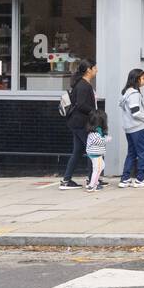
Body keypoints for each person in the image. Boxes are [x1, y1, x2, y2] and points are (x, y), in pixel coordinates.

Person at [117, 69, 144, 188]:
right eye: (143, 78)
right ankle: (141, 179)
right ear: (136, 79)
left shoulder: (126, 93)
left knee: (131, 153)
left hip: (129, 128)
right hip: (137, 128)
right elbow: (136, 112)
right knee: (143, 152)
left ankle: (125, 179)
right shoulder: (134, 94)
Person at [61, 61, 98, 189]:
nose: (96, 70)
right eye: (95, 67)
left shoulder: (82, 84)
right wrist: (95, 112)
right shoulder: (83, 85)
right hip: (81, 123)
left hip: (76, 122)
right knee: (92, 150)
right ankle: (91, 180)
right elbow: (81, 105)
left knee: (78, 151)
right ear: (89, 70)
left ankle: (66, 180)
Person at [85, 110, 108, 192]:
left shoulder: (95, 131)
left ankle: (95, 182)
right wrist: (106, 139)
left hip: (95, 153)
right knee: (97, 169)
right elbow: (98, 141)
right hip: (95, 154)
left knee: (101, 166)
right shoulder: (94, 132)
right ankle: (92, 185)